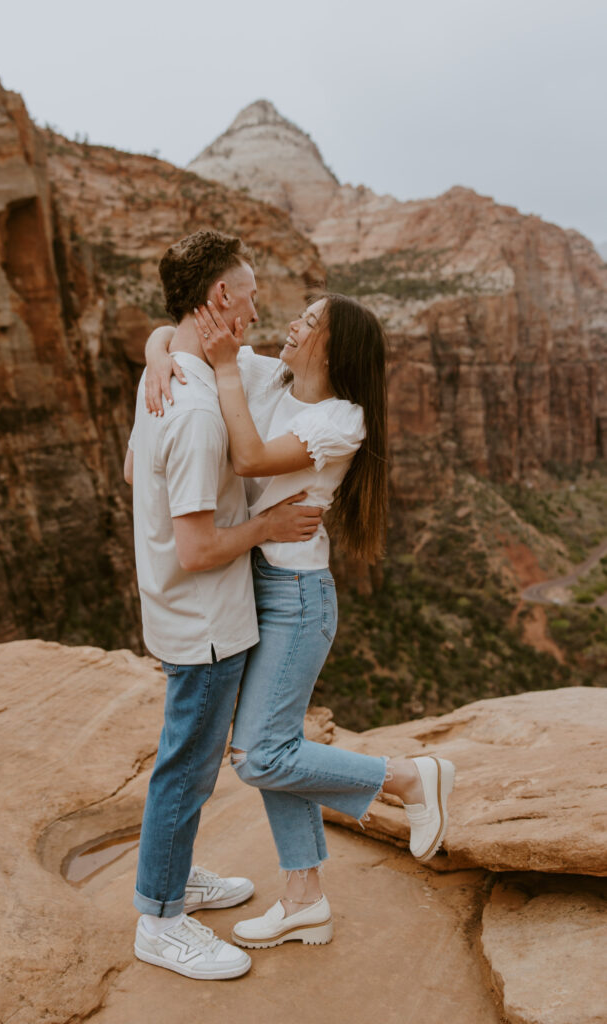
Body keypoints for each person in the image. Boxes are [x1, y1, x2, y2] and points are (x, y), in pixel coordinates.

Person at [145, 291, 455, 951]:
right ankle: (304, 899)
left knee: (260, 754)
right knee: (277, 747)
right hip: (253, 584)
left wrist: (225, 366)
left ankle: (403, 778)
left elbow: (250, 459)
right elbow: (169, 337)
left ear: (334, 346)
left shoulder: (343, 419)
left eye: (310, 321)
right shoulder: (268, 374)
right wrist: (156, 358)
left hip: (294, 595)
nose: (293, 322)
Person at [124, 229, 324, 980]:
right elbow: (198, 549)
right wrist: (269, 525)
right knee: (185, 769)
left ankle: (173, 873)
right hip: (205, 622)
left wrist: (153, 347)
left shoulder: (171, 374)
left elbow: (131, 470)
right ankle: (161, 919)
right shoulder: (198, 411)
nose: (256, 304)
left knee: (192, 765)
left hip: (181, 613)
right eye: (247, 292)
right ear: (217, 300)